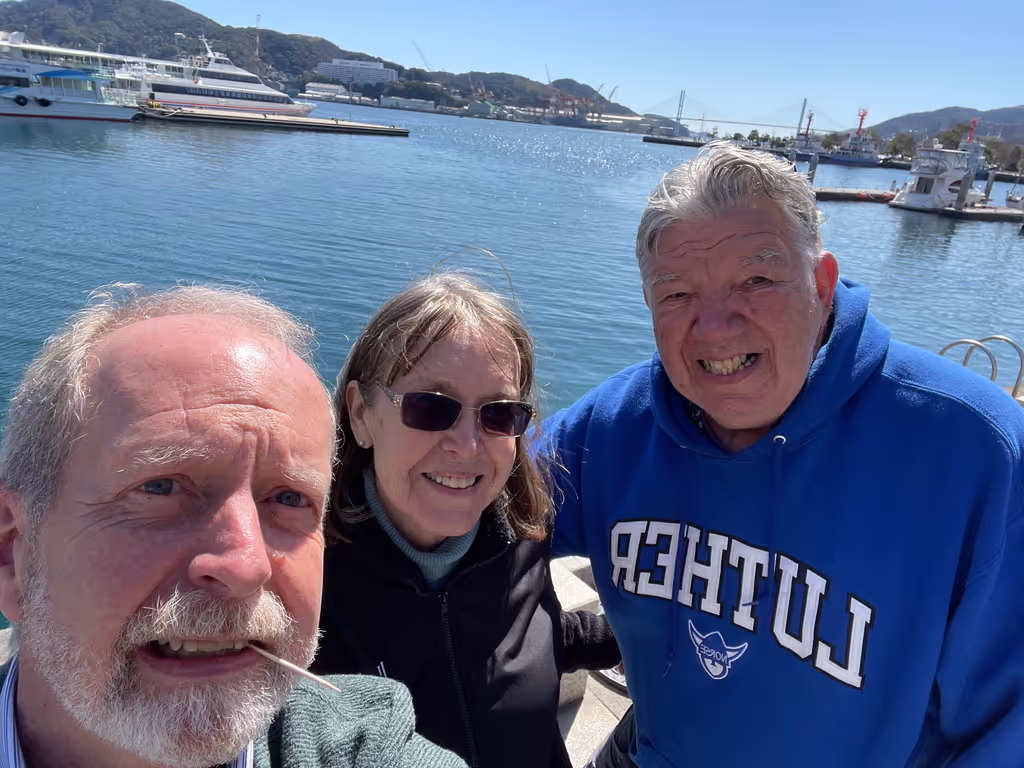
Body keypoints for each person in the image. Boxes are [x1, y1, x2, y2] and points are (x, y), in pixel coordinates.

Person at [546, 142, 1024, 767]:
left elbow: (1006, 726)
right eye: (677, 295)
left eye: (757, 279)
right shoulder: (615, 426)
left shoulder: (971, 449)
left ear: (821, 285)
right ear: (648, 305)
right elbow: (475, 495)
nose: (715, 327)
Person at [0, 284, 465, 768]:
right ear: (13, 551)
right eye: (161, 487)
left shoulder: (363, 748)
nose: (247, 566)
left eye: (289, 499)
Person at [312, 272, 621, 768]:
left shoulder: (520, 538)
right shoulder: (305, 582)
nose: (468, 444)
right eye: (431, 407)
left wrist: (631, 636)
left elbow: (522, 635)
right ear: (361, 414)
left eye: (498, 414)